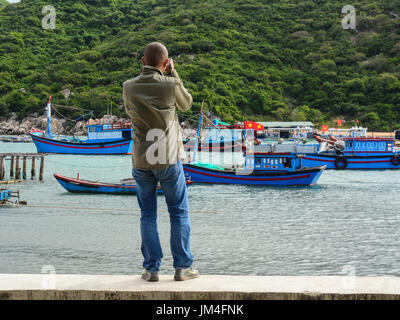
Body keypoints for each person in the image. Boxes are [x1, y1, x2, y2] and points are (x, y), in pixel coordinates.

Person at [123, 42, 199, 282]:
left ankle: (151, 269)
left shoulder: (129, 87)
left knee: (147, 215)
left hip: (142, 161)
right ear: (165, 64)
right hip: (168, 160)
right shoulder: (171, 84)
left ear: (143, 62)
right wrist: (173, 74)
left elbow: (129, 111)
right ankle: (182, 268)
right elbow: (187, 103)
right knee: (178, 213)